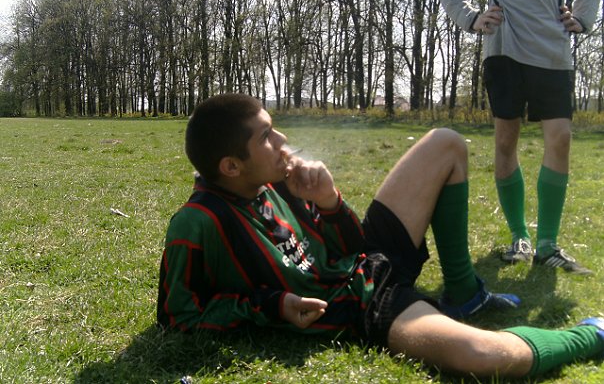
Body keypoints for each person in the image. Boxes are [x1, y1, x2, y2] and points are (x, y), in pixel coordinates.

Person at [157, 93, 604, 378]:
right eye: (266, 137)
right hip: (363, 304)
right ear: (231, 166)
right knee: (484, 356)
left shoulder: (276, 182)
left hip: (368, 260)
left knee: (447, 142)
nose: (283, 139)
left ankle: (464, 292)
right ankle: (592, 333)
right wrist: (272, 306)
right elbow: (179, 316)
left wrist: (328, 202)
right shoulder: (198, 223)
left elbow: (351, 247)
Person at [437, 0, 602, 273]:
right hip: (504, 45)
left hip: (553, 45)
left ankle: (548, 245)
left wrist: (583, 16)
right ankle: (519, 237)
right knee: (505, 140)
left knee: (561, 137)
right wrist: (471, 18)